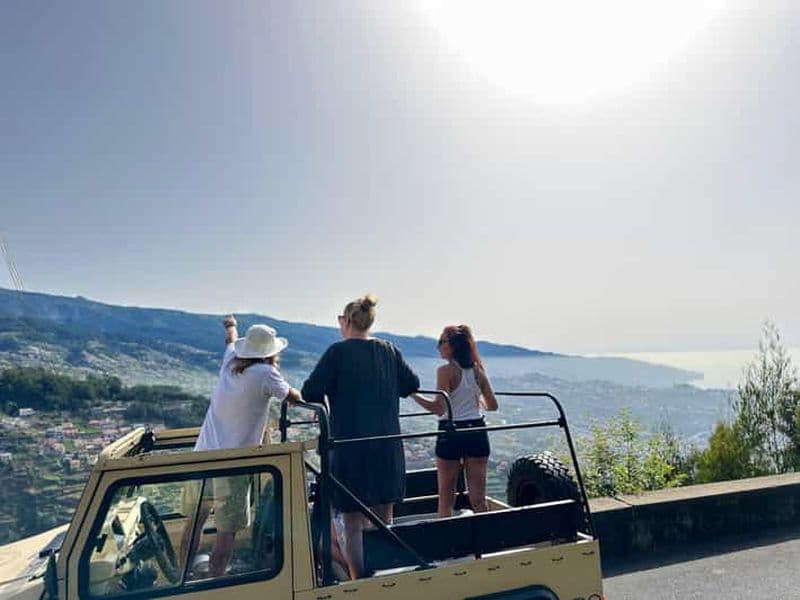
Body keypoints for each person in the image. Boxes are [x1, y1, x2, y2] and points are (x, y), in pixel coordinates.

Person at [301, 294, 420, 579]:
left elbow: (309, 391)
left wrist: (326, 405)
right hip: (388, 450)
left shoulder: (337, 352)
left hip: (350, 450)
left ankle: (358, 581)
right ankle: (384, 575)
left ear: (348, 321)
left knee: (352, 523)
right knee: (383, 519)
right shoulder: (389, 350)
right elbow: (411, 384)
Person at [180, 315, 301, 578]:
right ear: (272, 353)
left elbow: (230, 341)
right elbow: (293, 397)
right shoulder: (266, 374)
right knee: (226, 533)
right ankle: (215, 584)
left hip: (201, 457)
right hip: (233, 466)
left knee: (195, 524)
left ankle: (182, 578)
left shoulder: (230, 362)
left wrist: (231, 325)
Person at [412, 325, 498, 517]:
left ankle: (447, 544)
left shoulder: (445, 371)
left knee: (446, 501)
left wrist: (412, 394)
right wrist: (473, 402)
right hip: (477, 431)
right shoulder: (478, 371)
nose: (438, 346)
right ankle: (486, 543)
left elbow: (438, 408)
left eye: (441, 342)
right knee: (478, 500)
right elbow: (493, 405)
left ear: (452, 346)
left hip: (451, 432)